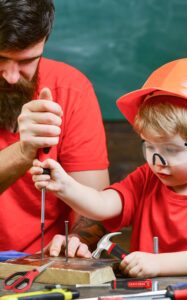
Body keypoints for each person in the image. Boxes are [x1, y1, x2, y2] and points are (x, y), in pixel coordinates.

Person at [31, 58, 187, 277]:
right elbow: (102, 206)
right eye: (149, 146)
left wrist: (158, 264)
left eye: (171, 150)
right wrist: (64, 185)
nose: (157, 161)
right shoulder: (147, 179)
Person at [0, 0, 109, 256]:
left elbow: (95, 208)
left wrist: (76, 242)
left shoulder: (71, 90)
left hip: (40, 265)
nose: (12, 76)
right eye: (1, 58)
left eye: (27, 61)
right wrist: (24, 151)